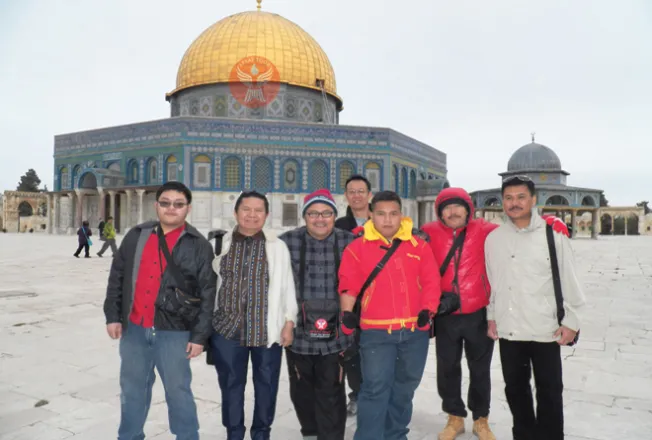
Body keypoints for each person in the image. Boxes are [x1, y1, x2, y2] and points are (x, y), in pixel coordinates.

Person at [421, 188, 569, 440]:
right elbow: (399, 239)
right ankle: (454, 417)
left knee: (480, 369)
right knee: (447, 368)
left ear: (468, 210)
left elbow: (518, 229)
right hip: (445, 314)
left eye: (458, 207)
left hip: (478, 312)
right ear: (439, 211)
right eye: (447, 207)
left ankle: (481, 418)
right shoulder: (429, 232)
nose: (453, 212)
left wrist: (549, 221)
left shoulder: (485, 230)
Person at [103, 181, 216, 440]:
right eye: (165, 203)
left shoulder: (198, 245)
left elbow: (208, 293)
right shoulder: (137, 235)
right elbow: (117, 276)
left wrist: (199, 337)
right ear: (156, 205)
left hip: (174, 332)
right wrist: (112, 316)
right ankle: (129, 436)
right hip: (135, 328)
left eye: (178, 204)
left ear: (188, 208)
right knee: (132, 390)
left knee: (178, 390)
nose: (171, 208)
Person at [485, 175, 585, 440]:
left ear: (533, 200)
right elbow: (494, 283)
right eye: (508, 198)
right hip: (510, 331)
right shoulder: (494, 239)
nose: (514, 203)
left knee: (550, 391)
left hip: (545, 328)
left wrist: (571, 321)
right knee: (516, 391)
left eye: (520, 197)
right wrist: (492, 317)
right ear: (502, 201)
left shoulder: (553, 234)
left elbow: (569, 279)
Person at [338, 190, 441, 440]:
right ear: (371, 215)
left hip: (414, 332)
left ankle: (396, 435)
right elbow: (348, 286)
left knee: (405, 389)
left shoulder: (419, 246)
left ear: (401, 215)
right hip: (376, 332)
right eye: (381, 214)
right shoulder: (357, 248)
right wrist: (347, 317)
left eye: (393, 214)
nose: (387, 220)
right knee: (374, 389)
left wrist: (428, 309)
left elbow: (431, 281)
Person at [210, 191, 298, 440]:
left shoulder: (277, 246)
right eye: (246, 209)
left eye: (258, 210)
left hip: (266, 331)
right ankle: (234, 433)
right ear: (236, 212)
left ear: (267, 215)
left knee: (267, 388)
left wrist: (289, 322)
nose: (252, 215)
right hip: (228, 330)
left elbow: (288, 287)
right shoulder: (222, 243)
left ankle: (262, 434)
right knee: (230, 387)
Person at [279, 189, 355, 440]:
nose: (320, 219)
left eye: (326, 213)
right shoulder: (286, 243)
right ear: (305, 216)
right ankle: (310, 433)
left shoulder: (350, 242)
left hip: (336, 337)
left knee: (332, 391)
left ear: (335, 215)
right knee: (302, 391)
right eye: (313, 213)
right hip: (299, 334)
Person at [334, 174, 372, 416]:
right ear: (346, 196)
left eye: (361, 191)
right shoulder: (338, 226)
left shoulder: (382, 220)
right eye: (352, 191)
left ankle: (376, 394)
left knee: (377, 350)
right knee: (351, 351)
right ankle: (357, 394)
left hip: (379, 298)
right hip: (349, 298)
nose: (357, 195)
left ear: (370, 195)